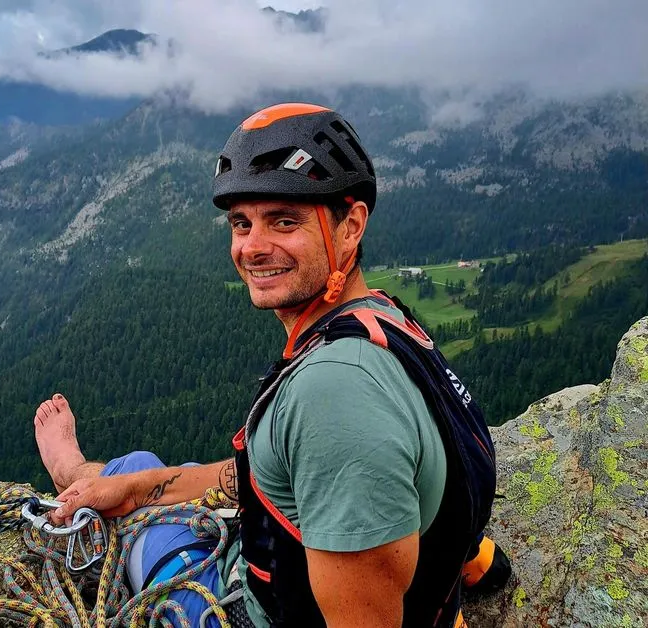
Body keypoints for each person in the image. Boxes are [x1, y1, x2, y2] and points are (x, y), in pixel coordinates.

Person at [34, 103, 510, 628]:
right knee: (139, 473)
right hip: (418, 573)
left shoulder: (334, 397)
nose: (253, 248)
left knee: (131, 483)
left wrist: (124, 485)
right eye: (241, 223)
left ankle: (73, 475)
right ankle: (107, 479)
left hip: (255, 612)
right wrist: (133, 489)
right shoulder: (383, 320)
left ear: (350, 226)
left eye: (284, 221)